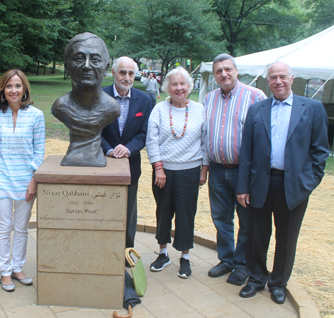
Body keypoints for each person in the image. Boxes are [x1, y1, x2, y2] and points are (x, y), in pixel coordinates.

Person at [236, 62, 329, 304]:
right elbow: (246, 152)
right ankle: (255, 279)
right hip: (260, 184)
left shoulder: (312, 108)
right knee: (257, 234)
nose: (278, 81)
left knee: (286, 238)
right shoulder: (256, 109)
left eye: (282, 77)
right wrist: (242, 187)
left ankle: (278, 283)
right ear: (268, 80)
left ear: (292, 79)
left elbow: (320, 151)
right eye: (273, 77)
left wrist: (309, 182)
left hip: (294, 187)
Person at [203, 53, 266, 285]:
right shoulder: (209, 99)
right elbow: (205, 136)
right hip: (218, 170)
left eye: (228, 69)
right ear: (215, 75)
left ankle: (242, 265)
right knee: (221, 218)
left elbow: (263, 139)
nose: (224, 74)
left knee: (246, 220)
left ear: (237, 71)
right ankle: (226, 259)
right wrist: (205, 166)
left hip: (245, 172)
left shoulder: (255, 97)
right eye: (219, 71)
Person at [146, 67, 209, 278]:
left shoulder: (200, 109)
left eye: (183, 84)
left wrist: (204, 168)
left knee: (186, 215)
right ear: (167, 88)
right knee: (163, 212)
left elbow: (206, 141)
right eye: (174, 84)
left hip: (190, 171)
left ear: (189, 87)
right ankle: (163, 254)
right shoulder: (159, 109)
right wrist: (158, 168)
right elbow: (151, 140)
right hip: (163, 172)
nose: (179, 88)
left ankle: (185, 257)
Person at [0, 70, 45, 292]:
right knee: (4, 227)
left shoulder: (36, 115)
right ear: (3, 89)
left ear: (25, 89)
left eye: (18, 86)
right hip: (1, 177)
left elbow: (39, 151)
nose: (14, 90)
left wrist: (34, 180)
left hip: (26, 179)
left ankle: (17, 267)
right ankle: (4, 272)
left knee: (21, 228)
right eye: (9, 86)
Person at [102, 56, 153, 248]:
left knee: (129, 211)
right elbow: (94, 131)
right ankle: (105, 249)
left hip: (130, 165)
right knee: (104, 210)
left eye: (131, 73)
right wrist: (108, 149)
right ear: (114, 73)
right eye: (122, 72)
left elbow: (144, 133)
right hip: (104, 164)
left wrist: (128, 149)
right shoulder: (100, 96)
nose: (127, 77)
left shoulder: (145, 101)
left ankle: (126, 251)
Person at [52, 32, 120, 167]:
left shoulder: (112, 108)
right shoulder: (60, 107)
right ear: (67, 67)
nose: (87, 65)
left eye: (95, 59)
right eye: (79, 58)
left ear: (106, 68)